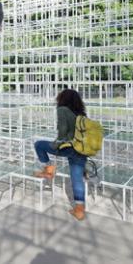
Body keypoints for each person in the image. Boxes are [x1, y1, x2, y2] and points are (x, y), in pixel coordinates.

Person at [33, 89, 89, 221]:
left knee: (39, 145)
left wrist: (56, 145)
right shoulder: (81, 114)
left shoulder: (62, 110)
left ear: (62, 99)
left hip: (69, 147)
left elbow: (63, 132)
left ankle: (49, 170)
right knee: (77, 179)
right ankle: (79, 211)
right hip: (82, 150)